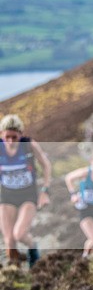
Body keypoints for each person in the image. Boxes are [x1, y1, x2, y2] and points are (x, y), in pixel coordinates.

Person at [0, 114, 52, 267]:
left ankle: (33, 248)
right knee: (9, 241)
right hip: (6, 196)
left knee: (20, 234)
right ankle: (15, 274)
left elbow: (46, 165)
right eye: (7, 137)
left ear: (21, 135)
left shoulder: (29, 145)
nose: (10, 141)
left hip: (27, 195)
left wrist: (45, 190)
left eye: (14, 137)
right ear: (2, 134)